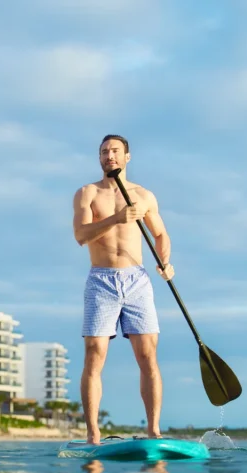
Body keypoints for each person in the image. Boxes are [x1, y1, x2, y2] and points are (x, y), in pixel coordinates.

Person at [72, 135, 175, 444]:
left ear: (127, 156)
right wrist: (117, 218)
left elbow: (160, 234)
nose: (109, 156)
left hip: (138, 280)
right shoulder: (88, 193)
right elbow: (81, 235)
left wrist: (165, 263)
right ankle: (93, 435)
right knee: (94, 353)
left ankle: (153, 431)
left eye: (115, 151)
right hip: (101, 279)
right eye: (104, 152)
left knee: (148, 356)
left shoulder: (143, 196)